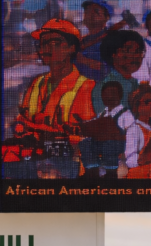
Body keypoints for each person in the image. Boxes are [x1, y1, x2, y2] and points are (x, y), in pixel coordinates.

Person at [17, 18, 97, 178]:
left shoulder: (86, 87)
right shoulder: (36, 83)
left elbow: (89, 140)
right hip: (34, 166)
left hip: (69, 170)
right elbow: (21, 122)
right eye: (42, 44)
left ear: (71, 48)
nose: (45, 49)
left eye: (54, 43)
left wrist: (45, 137)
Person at [77, 81, 131, 179]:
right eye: (106, 95)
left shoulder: (126, 115)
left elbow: (130, 136)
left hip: (117, 147)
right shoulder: (102, 113)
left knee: (109, 144)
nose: (109, 97)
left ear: (120, 95)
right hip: (101, 145)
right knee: (86, 142)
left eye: (112, 94)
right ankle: (92, 173)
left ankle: (111, 174)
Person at [93, 30, 145, 116]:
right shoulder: (104, 87)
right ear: (113, 54)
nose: (136, 56)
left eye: (138, 51)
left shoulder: (139, 85)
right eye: (128, 51)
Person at [74, 0, 113, 82]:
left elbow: (113, 70)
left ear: (106, 18)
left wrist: (85, 61)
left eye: (96, 11)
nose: (90, 14)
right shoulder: (80, 41)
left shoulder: (111, 41)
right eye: (87, 11)